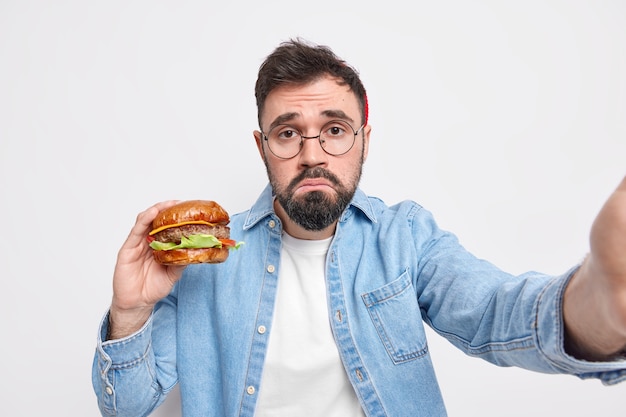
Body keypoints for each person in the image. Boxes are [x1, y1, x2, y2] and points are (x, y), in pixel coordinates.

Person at [92, 38, 626, 417]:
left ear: (364, 139)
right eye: (287, 134)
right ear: (262, 147)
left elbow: (496, 313)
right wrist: (131, 313)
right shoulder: (201, 260)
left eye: (335, 130)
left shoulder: (404, 238)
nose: (311, 155)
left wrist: (602, 302)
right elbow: (129, 406)